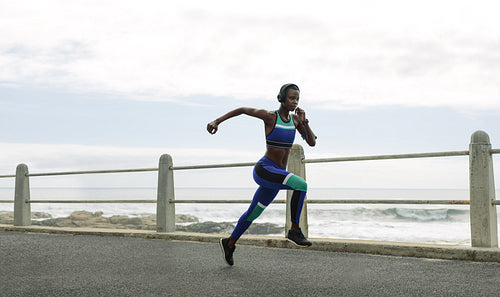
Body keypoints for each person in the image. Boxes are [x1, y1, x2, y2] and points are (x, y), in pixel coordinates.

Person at [207, 83, 317, 266]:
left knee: (253, 213)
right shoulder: (270, 117)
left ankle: (230, 243)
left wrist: (304, 121)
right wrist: (216, 122)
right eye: (291, 98)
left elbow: (312, 142)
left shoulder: (295, 121)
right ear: (281, 97)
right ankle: (294, 230)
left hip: (277, 175)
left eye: (297, 98)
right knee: (300, 184)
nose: (294, 102)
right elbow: (242, 110)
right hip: (265, 170)